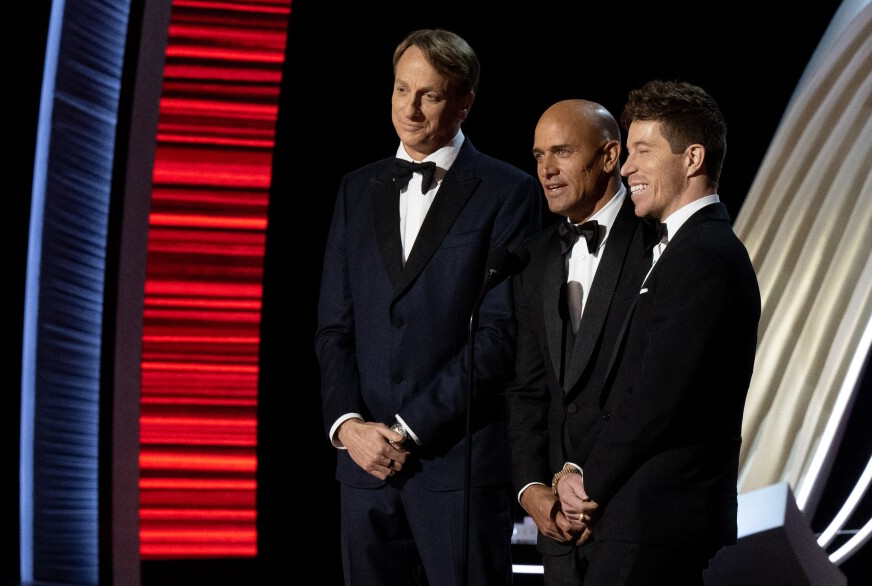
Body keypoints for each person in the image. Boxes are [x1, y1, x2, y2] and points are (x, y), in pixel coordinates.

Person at [314, 28, 543, 586]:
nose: (410, 110)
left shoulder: (509, 192)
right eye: (401, 90)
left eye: (430, 95)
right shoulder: (355, 189)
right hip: (363, 469)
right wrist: (349, 428)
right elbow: (334, 329)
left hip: (456, 469)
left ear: (465, 103)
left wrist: (407, 428)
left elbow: (499, 337)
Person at [556, 80, 762, 585]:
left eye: (642, 152)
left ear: (692, 158)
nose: (626, 169)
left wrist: (588, 482)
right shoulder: (681, 248)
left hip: (657, 516)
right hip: (644, 514)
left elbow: (655, 394)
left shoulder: (703, 255)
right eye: (627, 153)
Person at [505, 99, 652, 585]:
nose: (546, 170)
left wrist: (590, 490)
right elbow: (529, 388)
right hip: (558, 533)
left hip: (632, 518)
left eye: (562, 152)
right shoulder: (534, 258)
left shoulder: (660, 242)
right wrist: (534, 491)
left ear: (610, 156)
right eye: (538, 155)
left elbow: (650, 389)